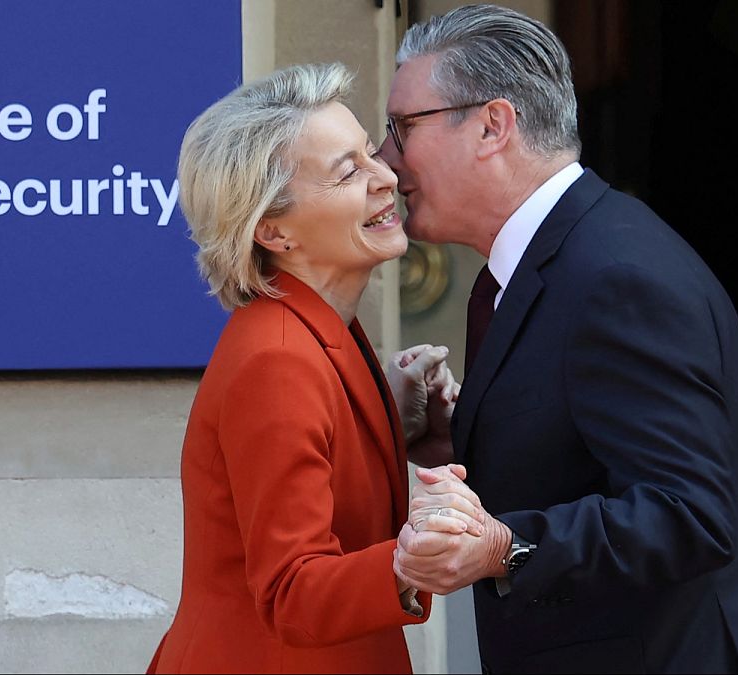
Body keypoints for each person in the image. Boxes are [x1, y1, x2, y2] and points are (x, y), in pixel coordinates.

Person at [380, 5, 738, 673]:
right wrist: (461, 438)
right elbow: (591, 454)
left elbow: (689, 515)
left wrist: (504, 546)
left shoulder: (616, 276)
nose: (385, 160)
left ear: (493, 126)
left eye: (404, 127)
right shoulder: (544, 262)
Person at [146, 62, 483, 674]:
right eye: (348, 171)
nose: (386, 176)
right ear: (273, 231)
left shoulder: (315, 328)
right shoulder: (277, 360)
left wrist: (394, 427)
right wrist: (412, 558)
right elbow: (292, 591)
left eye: (370, 152)